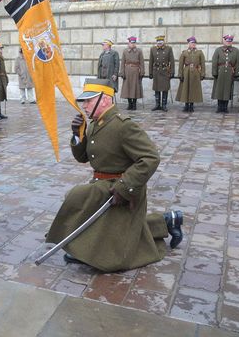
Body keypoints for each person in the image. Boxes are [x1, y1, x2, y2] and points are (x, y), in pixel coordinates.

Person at [45, 79, 183, 271]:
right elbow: (83, 157)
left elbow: (150, 158)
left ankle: (84, 248)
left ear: (105, 99)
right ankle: (168, 220)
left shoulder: (123, 126)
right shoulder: (94, 124)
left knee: (115, 252)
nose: (84, 106)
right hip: (102, 185)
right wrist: (77, 135)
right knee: (114, 229)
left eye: (89, 101)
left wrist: (124, 188)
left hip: (121, 189)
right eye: (84, 102)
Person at [211, 35, 239, 113]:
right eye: (227, 41)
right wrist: (214, 72)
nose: (228, 42)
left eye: (230, 41)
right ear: (223, 41)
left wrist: (237, 73)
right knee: (219, 90)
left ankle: (225, 107)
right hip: (220, 73)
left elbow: (237, 62)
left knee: (227, 90)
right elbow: (214, 61)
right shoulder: (218, 50)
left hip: (230, 73)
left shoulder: (236, 50)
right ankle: (219, 107)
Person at [176, 37, 205, 113]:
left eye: (194, 43)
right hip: (186, 73)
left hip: (195, 73)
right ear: (188, 44)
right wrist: (180, 74)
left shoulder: (199, 53)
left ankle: (191, 105)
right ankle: (186, 105)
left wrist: (202, 74)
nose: (193, 44)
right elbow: (181, 65)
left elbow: (203, 64)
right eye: (192, 43)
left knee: (193, 90)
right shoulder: (184, 53)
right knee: (186, 89)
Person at [149, 35, 175, 112]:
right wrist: (150, 72)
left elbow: (172, 61)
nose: (159, 43)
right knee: (156, 89)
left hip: (165, 71)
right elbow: (151, 62)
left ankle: (164, 105)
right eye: (158, 42)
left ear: (163, 42)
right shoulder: (153, 49)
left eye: (161, 42)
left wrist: (172, 72)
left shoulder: (168, 49)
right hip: (156, 71)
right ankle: (157, 104)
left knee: (165, 89)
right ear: (156, 42)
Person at [120, 36, 144, 110]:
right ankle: (129, 103)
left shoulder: (139, 51)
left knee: (135, 88)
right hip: (127, 72)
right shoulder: (125, 51)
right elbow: (122, 62)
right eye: (131, 43)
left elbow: (142, 63)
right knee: (127, 88)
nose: (132, 44)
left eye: (134, 43)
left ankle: (134, 104)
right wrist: (122, 73)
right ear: (128, 43)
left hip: (136, 72)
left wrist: (142, 72)